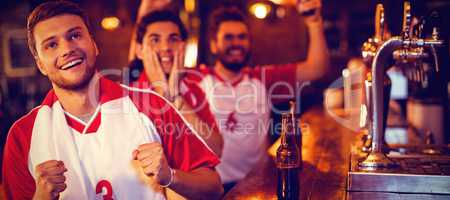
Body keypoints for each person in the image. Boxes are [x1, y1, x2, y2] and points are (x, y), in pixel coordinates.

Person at [2, 1, 222, 199]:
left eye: (75, 35)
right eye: (51, 45)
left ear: (94, 44)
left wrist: (170, 176)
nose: (67, 49)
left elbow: (213, 187)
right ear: (40, 64)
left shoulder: (151, 106)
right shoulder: (23, 135)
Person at [134, 0, 329, 192]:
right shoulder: (192, 78)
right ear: (213, 44)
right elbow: (152, 66)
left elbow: (316, 69)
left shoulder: (262, 79)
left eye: (242, 37)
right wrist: (145, 11)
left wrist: (314, 23)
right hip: (210, 186)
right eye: (228, 37)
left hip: (260, 183)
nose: (236, 43)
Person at [129, 10, 223, 157]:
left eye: (173, 39)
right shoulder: (126, 95)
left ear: (183, 47)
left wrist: (175, 97)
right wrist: (161, 91)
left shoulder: (193, 90)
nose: (166, 47)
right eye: (155, 40)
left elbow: (217, 150)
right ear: (140, 50)